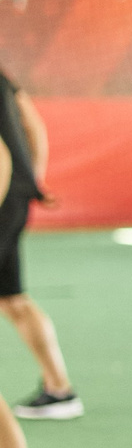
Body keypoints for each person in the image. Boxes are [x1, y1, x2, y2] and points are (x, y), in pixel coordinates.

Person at [1, 68, 79, 425]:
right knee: (12, 298)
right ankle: (59, 389)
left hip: (3, 194)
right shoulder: (3, 78)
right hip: (17, 194)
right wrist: (34, 178)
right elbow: (33, 124)